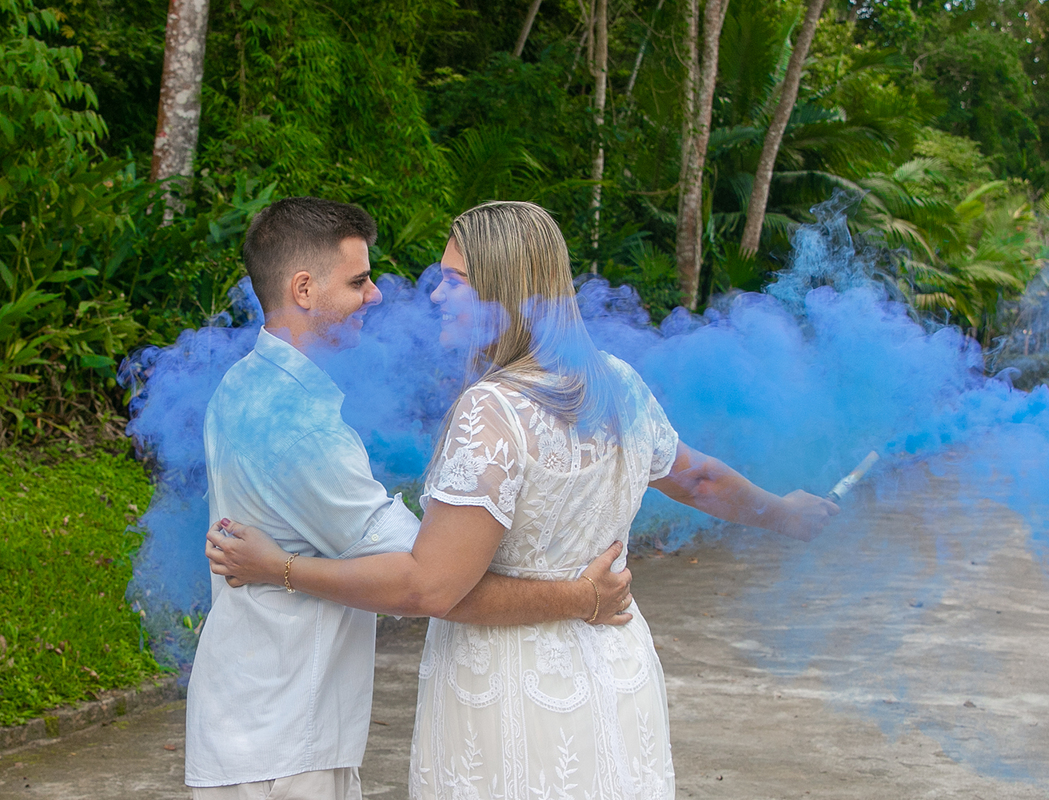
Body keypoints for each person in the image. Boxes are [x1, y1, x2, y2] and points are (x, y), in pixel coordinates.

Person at [205, 201, 839, 799]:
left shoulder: (492, 407)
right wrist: (782, 513)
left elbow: (429, 586)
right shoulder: (616, 380)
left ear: (500, 290)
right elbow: (698, 478)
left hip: (507, 680)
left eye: (454, 280)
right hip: (615, 666)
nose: (433, 293)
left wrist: (279, 569)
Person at [186, 197, 634, 800]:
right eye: (358, 280)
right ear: (303, 288)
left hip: (265, 723)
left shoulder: (247, 387)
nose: (376, 295)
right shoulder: (297, 427)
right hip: (285, 741)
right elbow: (427, 585)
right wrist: (581, 596)